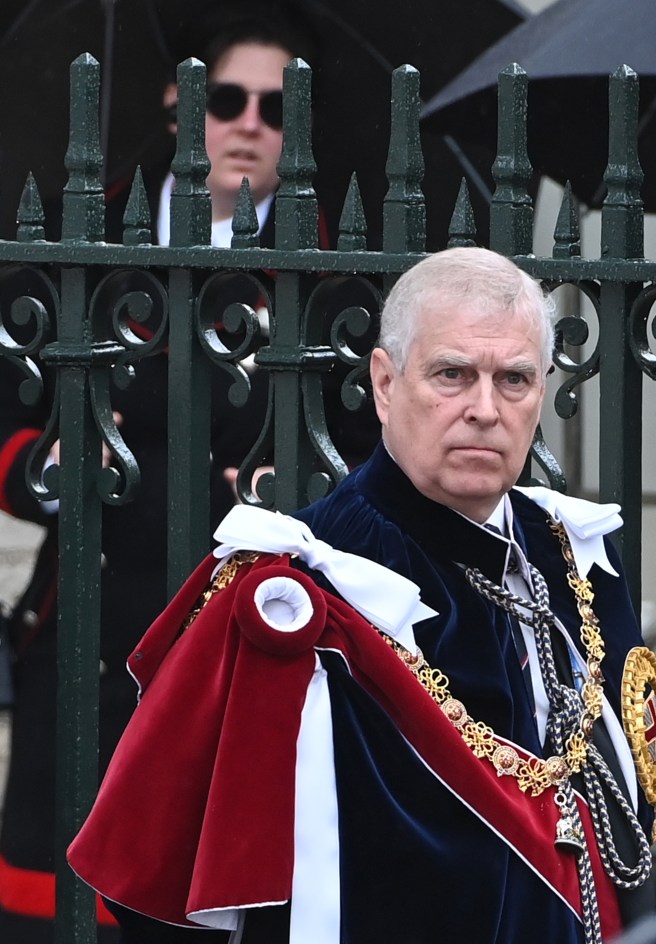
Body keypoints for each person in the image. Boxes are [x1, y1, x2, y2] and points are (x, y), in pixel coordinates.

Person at [66, 246, 656, 943]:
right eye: (452, 374)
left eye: (515, 379)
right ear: (384, 383)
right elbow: (172, 893)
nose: (485, 409)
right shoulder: (292, 596)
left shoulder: (578, 556)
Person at [0, 0, 377, 944]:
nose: (251, 123)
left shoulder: (334, 275)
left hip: (252, 640)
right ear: (181, 102)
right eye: (230, 98)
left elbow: (367, 454)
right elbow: (9, 423)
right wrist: (52, 461)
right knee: (63, 906)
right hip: (90, 629)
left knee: (219, 905)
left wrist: (305, 493)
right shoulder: (76, 242)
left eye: (279, 107)